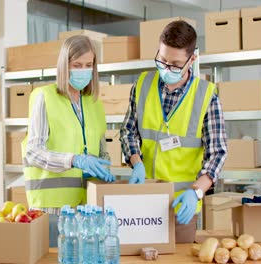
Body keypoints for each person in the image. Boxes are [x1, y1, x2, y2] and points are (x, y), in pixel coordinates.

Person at [120, 21, 227, 243]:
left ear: (192, 60)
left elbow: (217, 153)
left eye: (176, 64)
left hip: (181, 208)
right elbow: (128, 131)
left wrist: (196, 192)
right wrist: (136, 161)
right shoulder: (142, 84)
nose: (167, 68)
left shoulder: (206, 95)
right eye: (162, 59)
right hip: (142, 203)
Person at [22, 35, 115, 246]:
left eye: (89, 65)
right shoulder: (44, 97)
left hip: (87, 208)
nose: (83, 70)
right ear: (65, 65)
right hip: (52, 208)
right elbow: (34, 152)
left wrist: (104, 169)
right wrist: (74, 160)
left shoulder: (93, 104)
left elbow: (101, 150)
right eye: (77, 65)